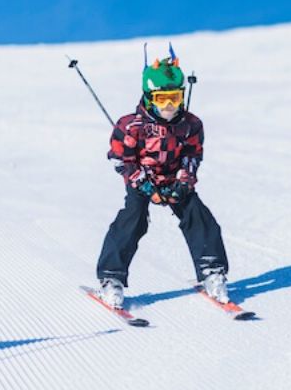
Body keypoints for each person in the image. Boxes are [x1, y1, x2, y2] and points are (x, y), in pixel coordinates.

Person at [95, 50, 230, 308]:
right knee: (132, 220)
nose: (170, 106)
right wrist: (143, 184)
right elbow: (121, 159)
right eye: (162, 99)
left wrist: (184, 181)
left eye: (175, 98)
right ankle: (111, 278)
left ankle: (212, 271)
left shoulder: (191, 124)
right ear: (149, 98)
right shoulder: (131, 125)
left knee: (198, 216)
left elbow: (192, 155)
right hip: (143, 180)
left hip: (173, 179)